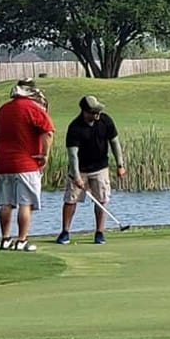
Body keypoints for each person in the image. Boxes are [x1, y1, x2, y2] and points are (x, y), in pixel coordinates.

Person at [0, 78, 55, 251]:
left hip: (4, 164)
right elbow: (48, 133)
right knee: (26, 203)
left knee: (6, 204)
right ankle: (21, 240)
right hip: (27, 163)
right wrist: (45, 155)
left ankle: (5, 239)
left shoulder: (3, 109)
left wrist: (1, 152)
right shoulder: (33, 109)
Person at [56, 95, 126, 245]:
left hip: (100, 167)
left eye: (98, 111)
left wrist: (120, 165)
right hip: (80, 169)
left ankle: (99, 232)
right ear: (85, 112)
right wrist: (76, 176)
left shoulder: (106, 121)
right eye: (94, 112)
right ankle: (65, 232)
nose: (97, 114)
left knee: (101, 200)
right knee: (71, 200)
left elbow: (115, 143)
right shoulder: (75, 127)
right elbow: (73, 155)